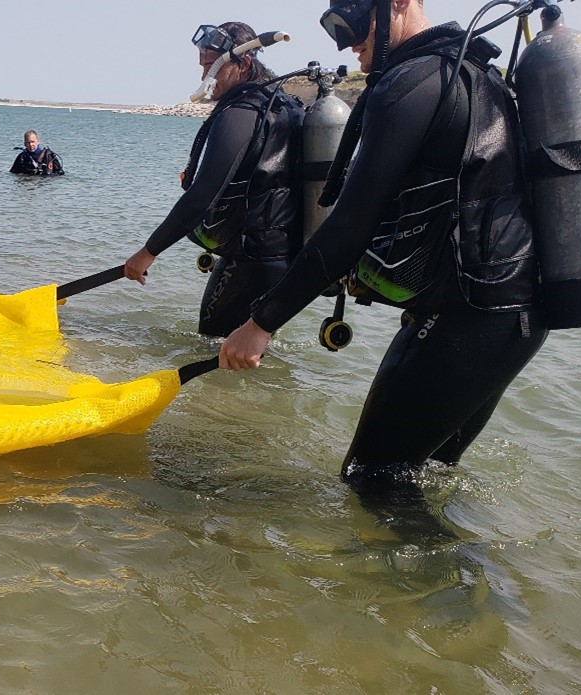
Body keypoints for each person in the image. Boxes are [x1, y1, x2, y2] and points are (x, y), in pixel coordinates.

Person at [219, 0, 546, 534]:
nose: (346, 43)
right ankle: (471, 594)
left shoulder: (415, 81)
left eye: (351, 20)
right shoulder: (469, 73)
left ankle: (454, 606)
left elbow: (349, 222)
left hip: (471, 317)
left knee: (372, 480)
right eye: (333, 28)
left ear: (399, 4)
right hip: (510, 318)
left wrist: (261, 323)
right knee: (424, 476)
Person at [123, 22, 305, 337]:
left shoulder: (241, 112)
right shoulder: (278, 104)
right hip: (280, 256)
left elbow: (203, 195)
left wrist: (148, 251)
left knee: (215, 346)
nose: (205, 76)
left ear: (244, 63)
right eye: (203, 66)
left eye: (211, 66)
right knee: (243, 356)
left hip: (252, 259)